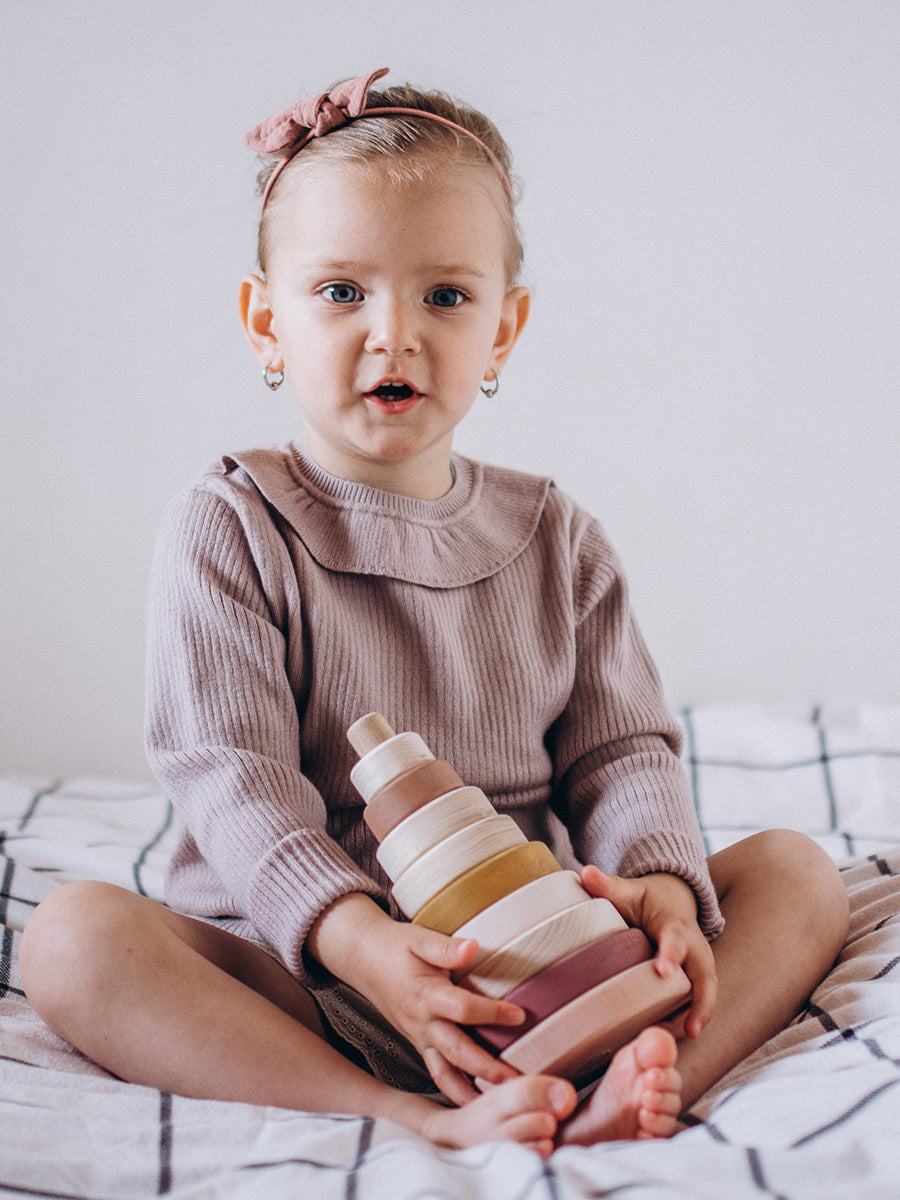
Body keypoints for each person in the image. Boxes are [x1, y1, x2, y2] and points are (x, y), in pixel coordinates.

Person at [20, 67, 849, 1157]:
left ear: (503, 331)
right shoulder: (230, 523)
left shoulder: (557, 537)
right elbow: (233, 778)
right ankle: (409, 1114)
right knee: (71, 939)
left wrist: (656, 890)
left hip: (534, 965)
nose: (393, 335)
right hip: (309, 970)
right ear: (264, 322)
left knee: (794, 870)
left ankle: (646, 1076)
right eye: (341, 293)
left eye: (446, 297)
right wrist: (358, 942)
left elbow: (622, 751)